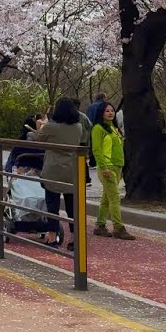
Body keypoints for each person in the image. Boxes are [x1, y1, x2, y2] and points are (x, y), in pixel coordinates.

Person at [35, 98, 83, 249]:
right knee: (72, 206)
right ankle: (74, 237)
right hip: (72, 170)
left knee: (52, 205)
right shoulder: (78, 127)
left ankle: (52, 237)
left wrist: (42, 125)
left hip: (53, 169)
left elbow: (37, 139)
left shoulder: (51, 127)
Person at [91, 102, 135, 240]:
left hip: (117, 166)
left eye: (112, 110)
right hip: (107, 167)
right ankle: (118, 227)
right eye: (107, 111)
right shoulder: (98, 129)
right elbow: (97, 150)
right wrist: (103, 167)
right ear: (101, 113)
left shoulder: (114, 128)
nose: (110, 113)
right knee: (115, 198)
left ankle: (100, 225)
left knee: (106, 198)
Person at [85, 92, 108, 170]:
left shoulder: (90, 107)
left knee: (93, 145)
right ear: (103, 98)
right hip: (101, 127)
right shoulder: (104, 106)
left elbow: (88, 118)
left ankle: (92, 161)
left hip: (91, 128)